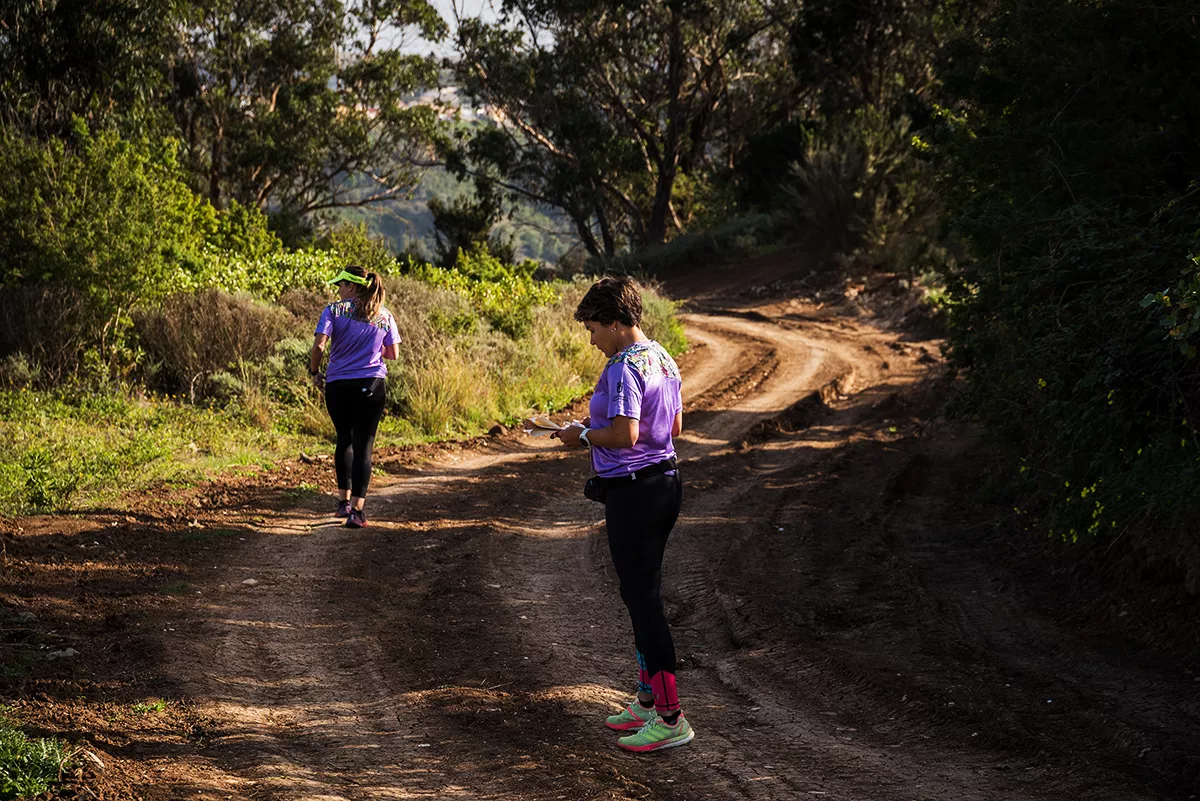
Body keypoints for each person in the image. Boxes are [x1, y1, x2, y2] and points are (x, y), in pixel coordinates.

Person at [552, 275, 692, 752]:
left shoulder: (621, 367)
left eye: (593, 329)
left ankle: (671, 718)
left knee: (645, 601)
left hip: (634, 493)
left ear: (614, 322)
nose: (591, 340)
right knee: (638, 596)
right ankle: (649, 701)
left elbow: (627, 435)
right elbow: (674, 424)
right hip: (665, 484)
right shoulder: (663, 355)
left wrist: (584, 435)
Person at [309, 265, 401, 529]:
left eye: (341, 286)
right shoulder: (383, 315)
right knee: (364, 445)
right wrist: (369, 350)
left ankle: (343, 503)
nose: (338, 291)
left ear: (351, 287)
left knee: (344, 440)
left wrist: (315, 372)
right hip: (371, 386)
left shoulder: (333, 311)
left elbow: (319, 346)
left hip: (338, 385)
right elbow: (393, 353)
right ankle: (358, 512)